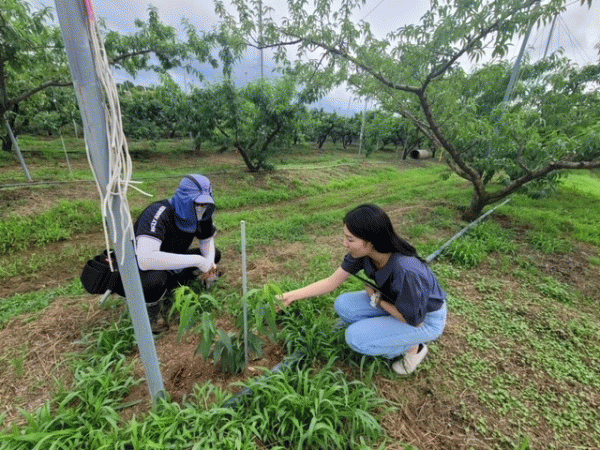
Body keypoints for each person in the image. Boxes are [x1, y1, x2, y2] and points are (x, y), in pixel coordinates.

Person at [280, 204, 447, 375]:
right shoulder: (363, 254)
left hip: (424, 319)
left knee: (356, 338)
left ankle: (413, 348)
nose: (344, 244)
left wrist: (377, 299)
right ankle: (388, 332)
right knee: (344, 304)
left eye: (350, 239)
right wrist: (290, 295)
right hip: (395, 302)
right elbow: (331, 282)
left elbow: (413, 319)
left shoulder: (406, 270)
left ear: (372, 241)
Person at [112, 174, 221, 332]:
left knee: (214, 255)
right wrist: (198, 261)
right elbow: (145, 259)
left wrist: (209, 263)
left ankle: (176, 285)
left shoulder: (202, 214)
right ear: (185, 198)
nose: (201, 208)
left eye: (205, 204)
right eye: (198, 203)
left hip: (172, 262)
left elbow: (207, 241)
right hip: (144, 269)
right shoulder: (158, 213)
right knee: (154, 280)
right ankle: (152, 313)